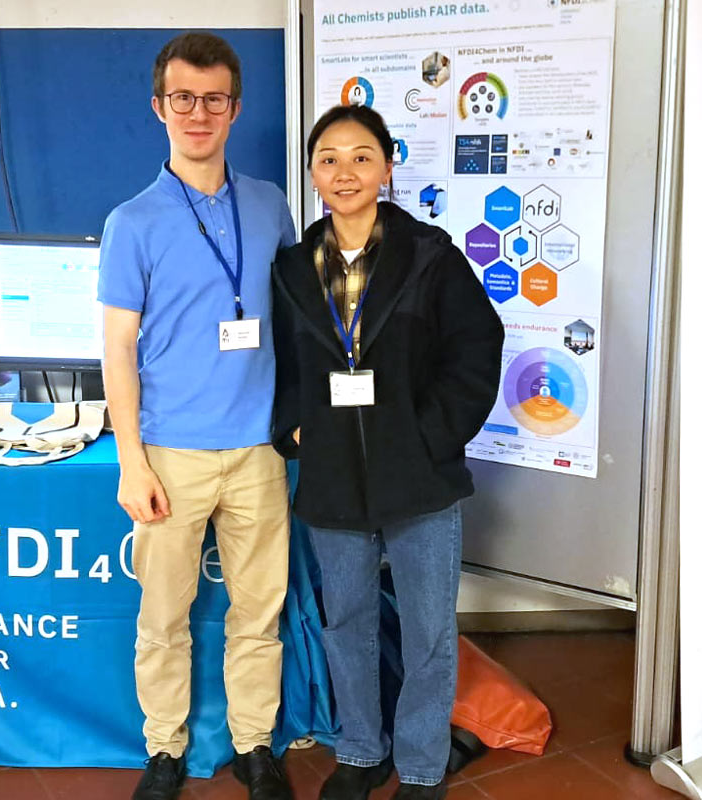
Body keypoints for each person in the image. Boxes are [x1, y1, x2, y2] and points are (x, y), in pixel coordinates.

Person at [271, 105, 504, 800]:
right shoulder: (291, 269)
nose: (345, 172)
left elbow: (475, 352)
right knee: (347, 621)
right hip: (334, 475)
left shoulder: (431, 256)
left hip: (420, 476)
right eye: (330, 158)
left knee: (430, 628)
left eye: (361, 156)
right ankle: (361, 752)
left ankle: (424, 766)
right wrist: (295, 429)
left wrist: (429, 436)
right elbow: (282, 366)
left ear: (387, 167)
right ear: (313, 173)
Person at [98, 32, 297, 800]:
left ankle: (255, 747)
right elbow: (118, 349)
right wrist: (132, 460)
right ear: (159, 107)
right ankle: (164, 751)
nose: (199, 113)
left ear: (235, 108)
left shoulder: (270, 204)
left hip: (258, 451)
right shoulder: (133, 223)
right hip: (171, 455)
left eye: (214, 99)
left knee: (259, 613)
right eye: (183, 98)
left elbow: (292, 317)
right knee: (164, 617)